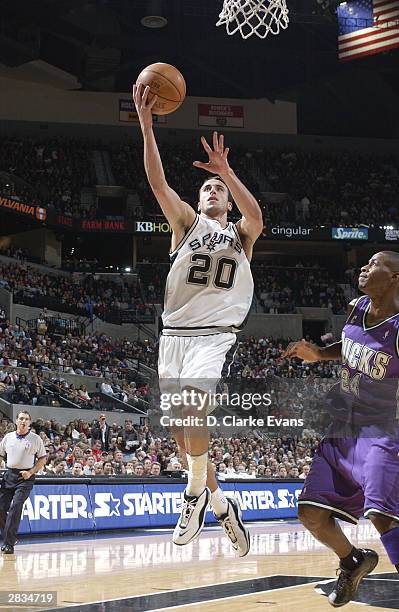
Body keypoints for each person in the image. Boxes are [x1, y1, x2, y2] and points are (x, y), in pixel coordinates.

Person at [133, 83, 263, 556]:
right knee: (181, 435)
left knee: (193, 407)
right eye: (206, 186)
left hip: (215, 337)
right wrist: (148, 128)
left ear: (227, 202)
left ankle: (192, 497)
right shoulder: (187, 223)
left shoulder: (241, 233)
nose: (211, 191)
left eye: (218, 190)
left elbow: (258, 216)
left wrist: (227, 170)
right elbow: (157, 184)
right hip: (174, 337)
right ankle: (223, 505)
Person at [284, 251, 399, 607]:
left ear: (395, 277)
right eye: (365, 262)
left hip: (383, 431)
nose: (365, 267)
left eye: (375, 264)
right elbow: (349, 348)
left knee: (382, 515)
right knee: (311, 513)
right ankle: (353, 561)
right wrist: (319, 354)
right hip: (342, 428)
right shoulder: (357, 306)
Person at [0, 411, 47, 554]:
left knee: (16, 507)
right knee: (1, 508)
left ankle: (8, 543)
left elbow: (42, 459)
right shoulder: (8, 438)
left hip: (25, 476)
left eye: (26, 419)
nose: (23, 421)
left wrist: (31, 472)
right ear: (16, 421)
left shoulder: (35, 439)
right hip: (9, 474)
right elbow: (1, 455)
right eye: (21, 418)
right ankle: (11, 536)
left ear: (29, 423)